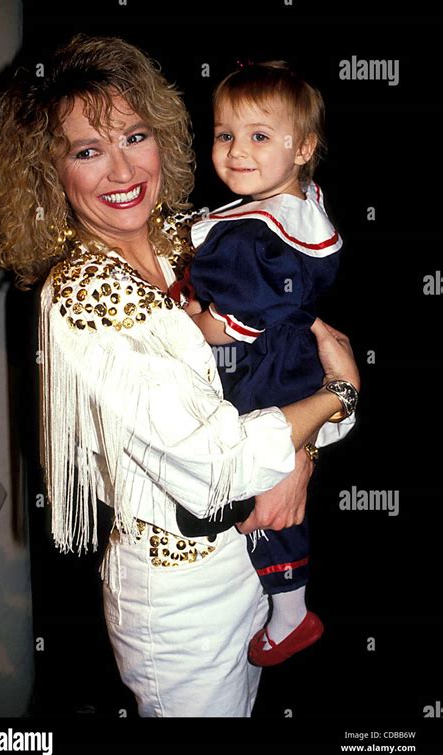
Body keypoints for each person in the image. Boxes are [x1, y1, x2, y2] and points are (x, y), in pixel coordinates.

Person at [0, 34, 359, 717]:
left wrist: (302, 447)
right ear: (51, 172)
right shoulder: (81, 296)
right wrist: (337, 397)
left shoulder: (199, 235)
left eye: (134, 135)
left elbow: (296, 351)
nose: (122, 169)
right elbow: (220, 462)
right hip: (180, 596)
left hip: (257, 559)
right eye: (88, 150)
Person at [184, 61, 344, 666]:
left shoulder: (254, 235)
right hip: (294, 358)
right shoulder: (297, 203)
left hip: (264, 371)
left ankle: (290, 607)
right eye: (225, 135)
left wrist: (184, 324)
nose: (236, 151)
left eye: (259, 135)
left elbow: (225, 326)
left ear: (303, 147)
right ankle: (283, 601)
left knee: (265, 486)